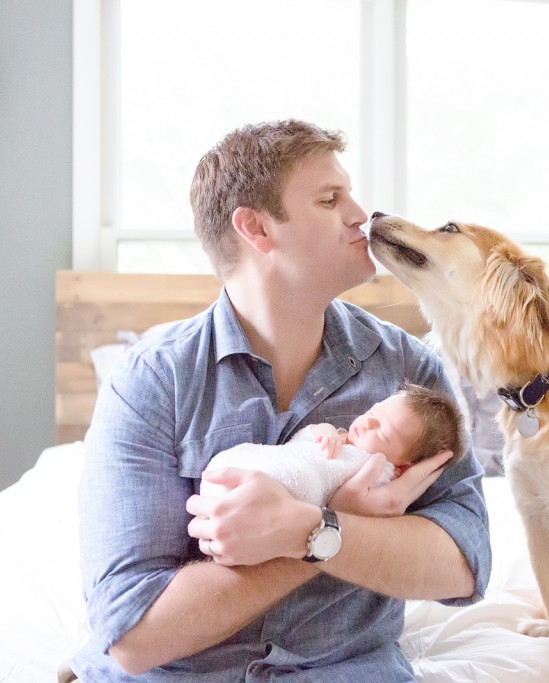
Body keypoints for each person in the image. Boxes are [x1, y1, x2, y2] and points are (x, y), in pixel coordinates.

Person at [73, 119, 491, 681]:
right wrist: (337, 523)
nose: (360, 214)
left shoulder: (407, 372)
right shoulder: (152, 381)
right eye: (329, 199)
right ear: (256, 228)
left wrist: (306, 530)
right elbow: (133, 636)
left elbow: (465, 563)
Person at [200, 383, 465, 506]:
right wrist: (327, 431)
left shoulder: (381, 474)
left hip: (298, 487)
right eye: (373, 412)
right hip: (272, 465)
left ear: (402, 468)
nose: (367, 422)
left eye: (383, 432)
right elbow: (308, 442)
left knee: (300, 479)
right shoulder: (346, 439)